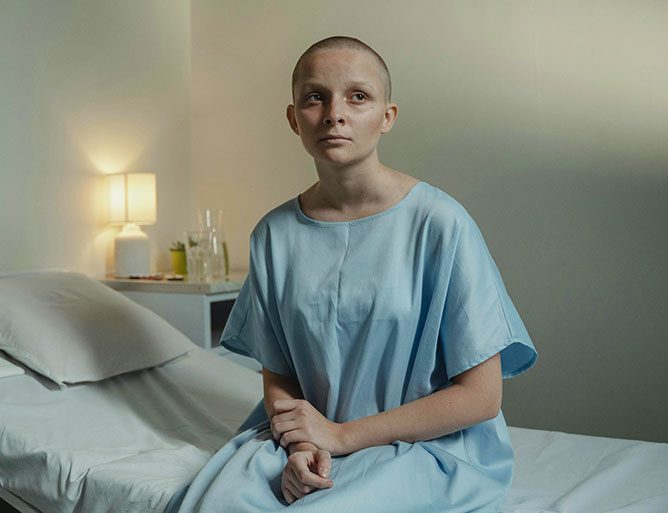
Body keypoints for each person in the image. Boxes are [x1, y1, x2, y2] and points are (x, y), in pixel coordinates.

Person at [166, 36, 537, 513]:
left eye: (357, 96)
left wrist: (341, 436)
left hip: (426, 446)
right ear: (293, 117)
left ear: (388, 116)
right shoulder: (273, 236)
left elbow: (481, 398)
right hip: (309, 442)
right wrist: (302, 446)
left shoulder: (441, 224)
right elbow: (279, 378)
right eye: (315, 97)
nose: (334, 114)